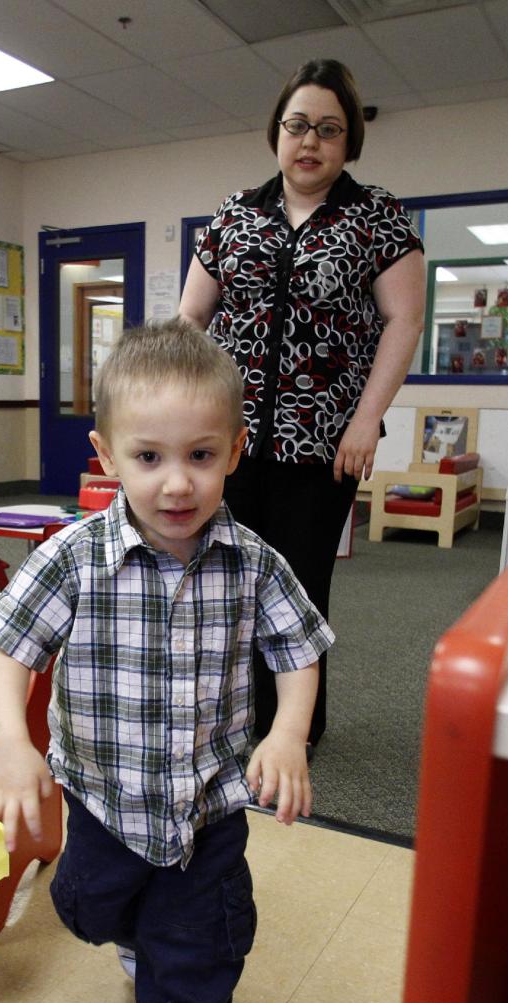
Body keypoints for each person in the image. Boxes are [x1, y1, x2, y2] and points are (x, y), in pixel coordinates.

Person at [0, 319, 334, 1003]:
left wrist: (286, 735)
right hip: (101, 801)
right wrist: (17, 748)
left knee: (200, 944)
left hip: (207, 808)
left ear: (236, 451)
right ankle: (133, 936)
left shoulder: (253, 562)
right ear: (106, 453)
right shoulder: (73, 558)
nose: (177, 483)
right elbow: (8, 650)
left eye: (201, 456)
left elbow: (299, 650)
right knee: (89, 908)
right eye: (149, 457)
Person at [178, 57, 425, 748]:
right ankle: (231, 716)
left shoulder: (376, 217)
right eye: (296, 126)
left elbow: (403, 322)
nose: (309, 141)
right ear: (276, 134)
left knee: (298, 585)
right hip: (227, 440)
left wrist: (367, 419)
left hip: (322, 443)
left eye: (327, 128)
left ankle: (293, 728)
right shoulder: (234, 217)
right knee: (224, 577)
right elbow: (191, 320)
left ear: (348, 143)